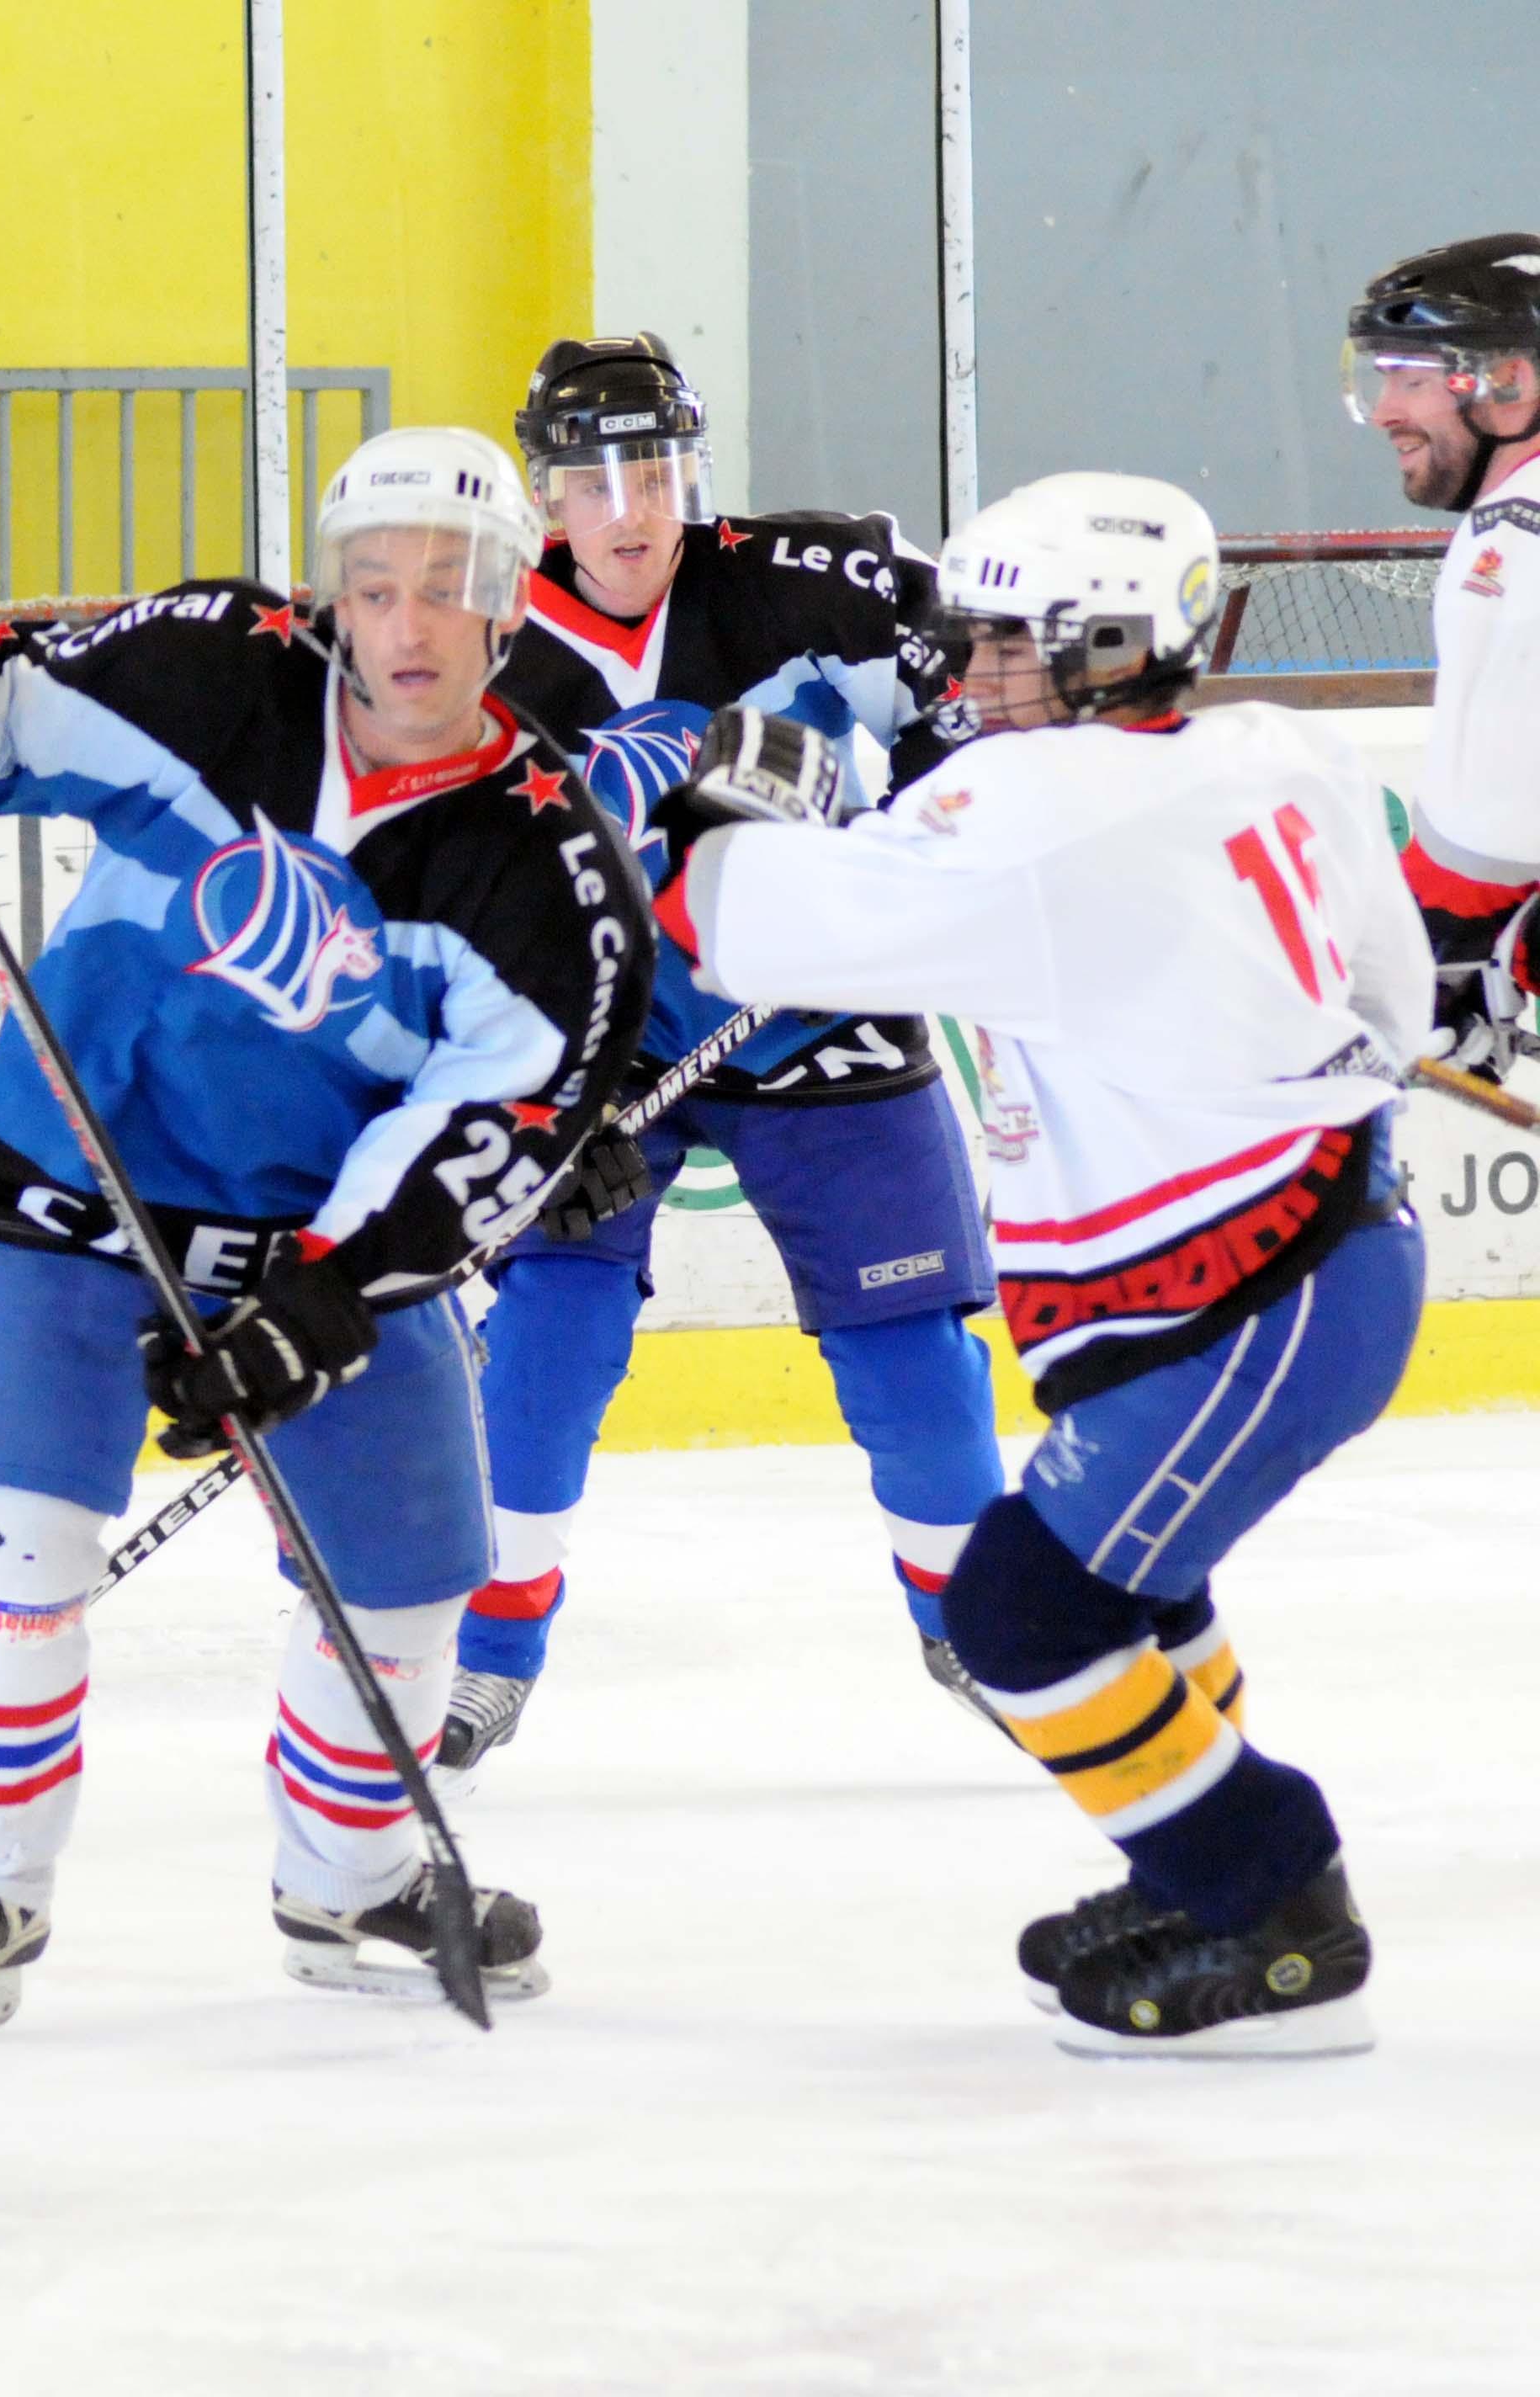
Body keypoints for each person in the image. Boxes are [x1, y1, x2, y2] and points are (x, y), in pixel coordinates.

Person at [0, 426, 657, 2039]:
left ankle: (351, 1872)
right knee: (10, 1553)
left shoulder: (543, 867)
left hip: (308, 1239)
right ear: (330, 592)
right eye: (375, 586)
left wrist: (321, 1300)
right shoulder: (213, 665)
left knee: (404, 1585)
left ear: (507, 607)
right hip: (64, 1189)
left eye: (450, 592)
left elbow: (487, 1130)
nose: (408, 627)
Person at [645, 473, 1428, 2056]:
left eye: (1008, 644)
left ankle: (1273, 1906)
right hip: (1289, 1258)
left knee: (1017, 1610)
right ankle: (1190, 1860)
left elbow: (728, 919)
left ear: (1117, 643)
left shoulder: (1024, 809)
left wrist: (710, 789)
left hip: (1241, 1296)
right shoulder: (1286, 747)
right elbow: (1392, 999)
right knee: (1138, 1588)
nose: (968, 676)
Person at [457, 332, 1010, 1778]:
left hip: (818, 1009)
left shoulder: (826, 580)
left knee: (910, 1352)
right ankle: (484, 1646)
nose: (627, 506)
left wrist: (905, 829)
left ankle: (981, 1630)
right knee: (544, 1329)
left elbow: (985, 726)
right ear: (542, 497)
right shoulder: (471, 640)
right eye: (588, 477)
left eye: (654, 468)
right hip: (601, 1039)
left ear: (693, 471)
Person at [1346, 234, 1540, 1078]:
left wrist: (1438, 950)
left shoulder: (1517, 536)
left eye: (1410, 376)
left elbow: (1490, 819)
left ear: (1512, 380)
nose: (1387, 409)